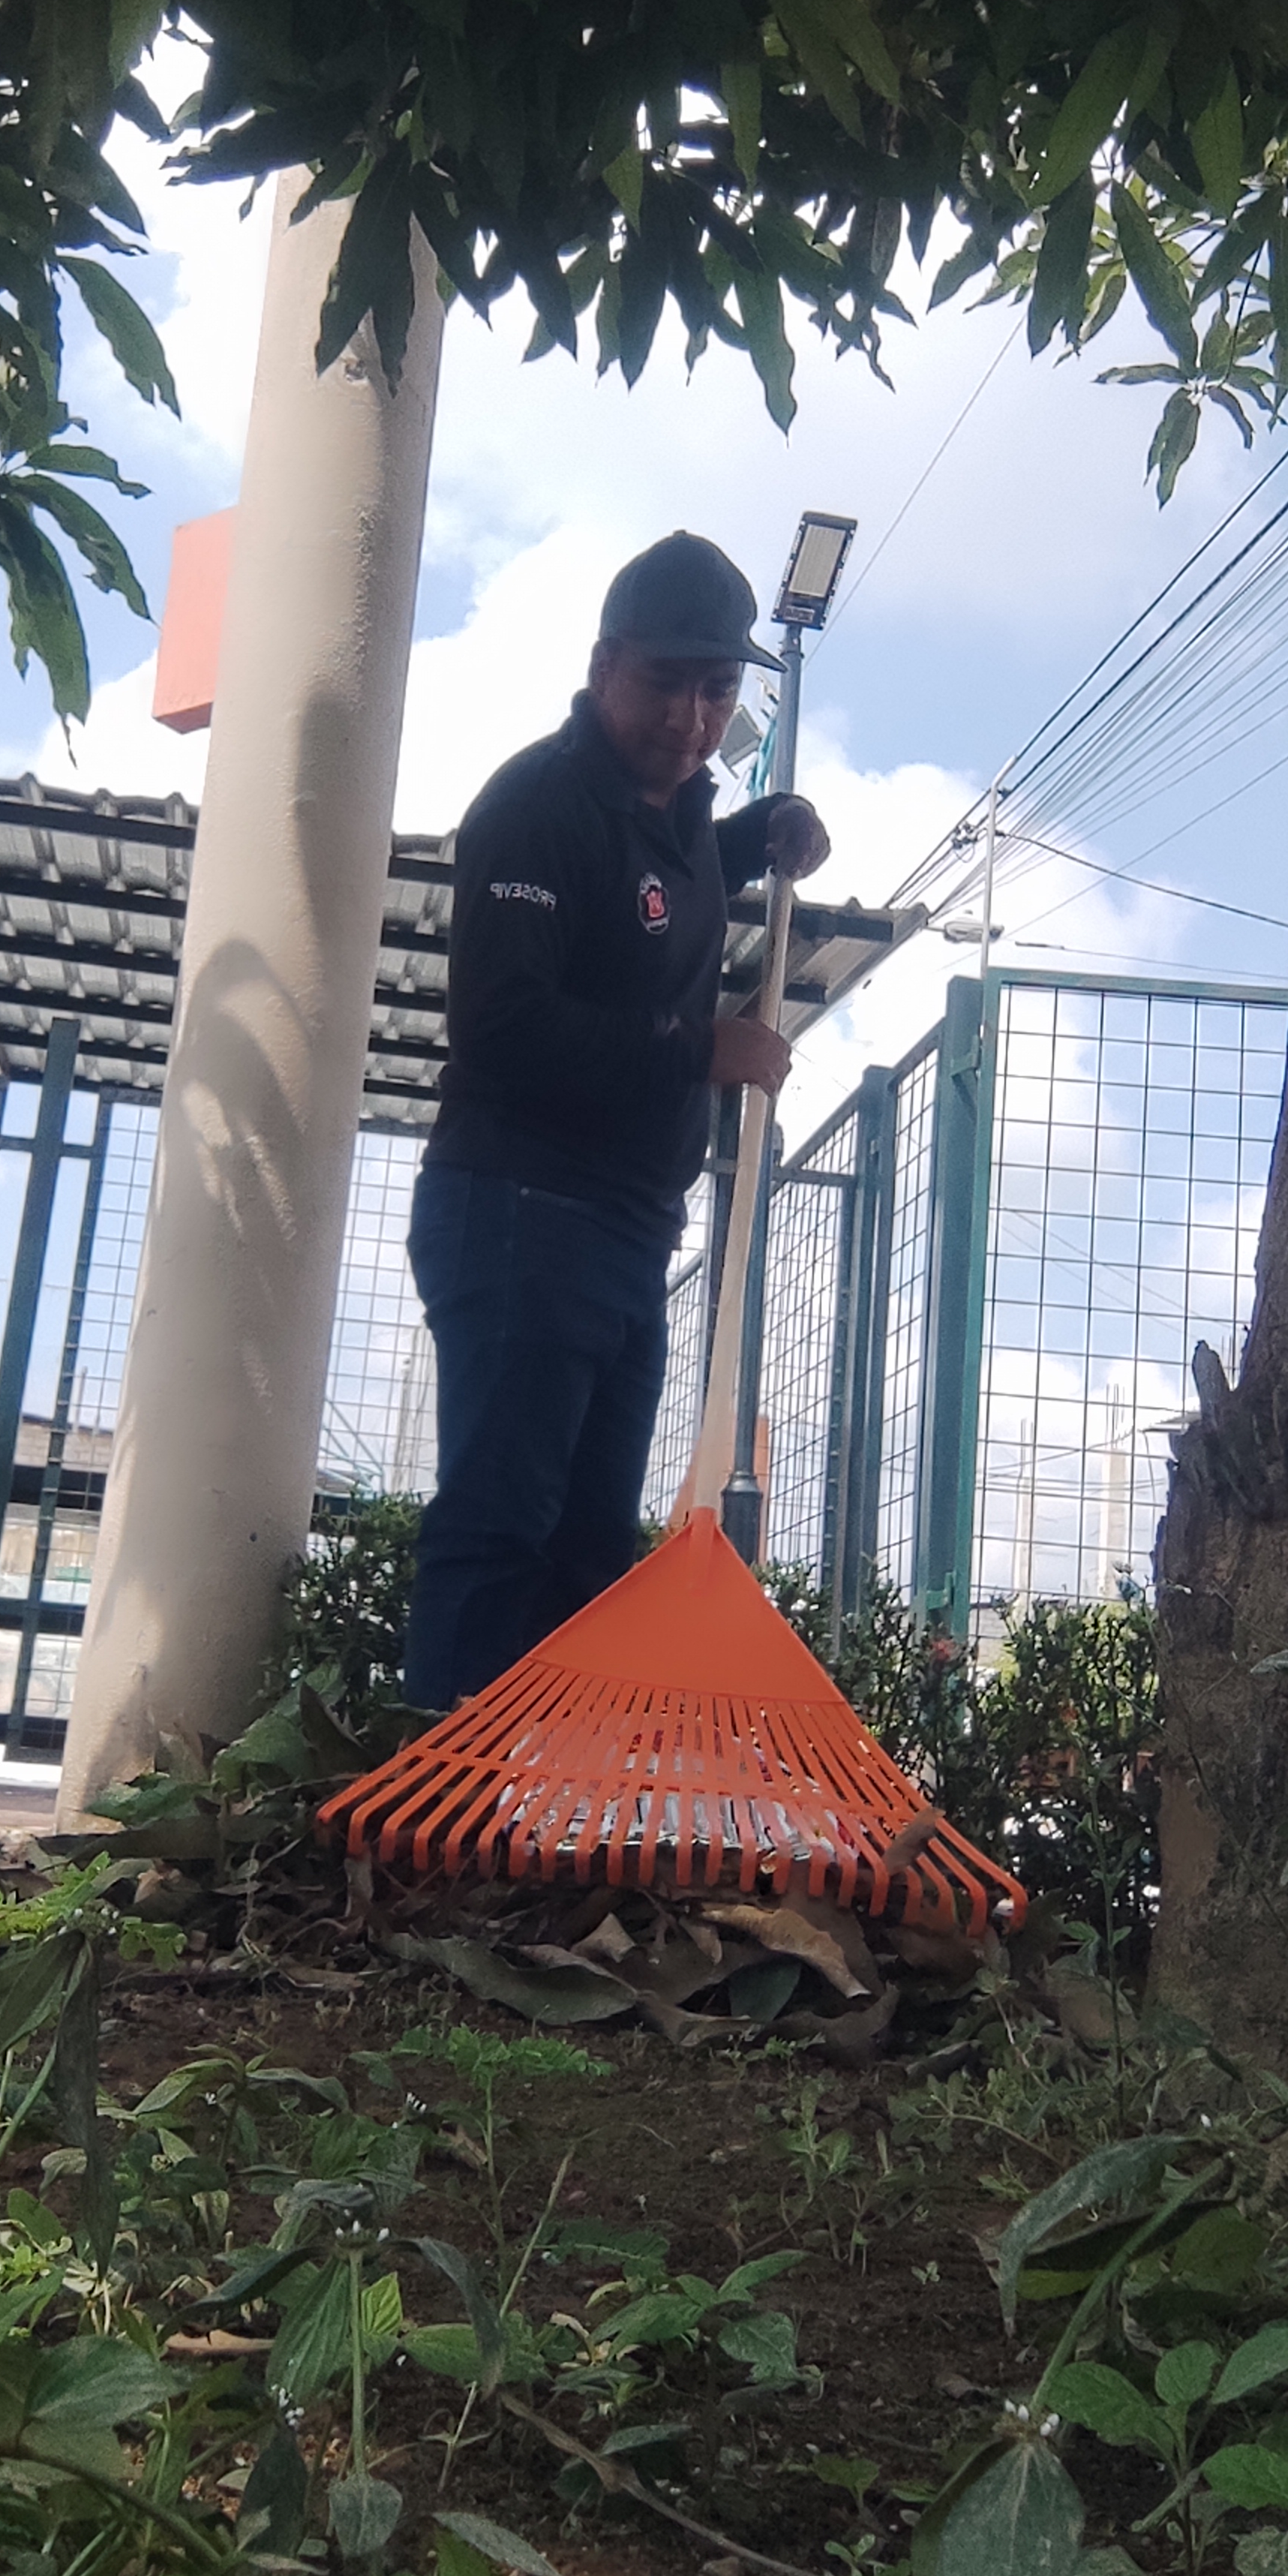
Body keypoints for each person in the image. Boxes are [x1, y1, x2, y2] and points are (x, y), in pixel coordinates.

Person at [402, 529, 830, 1715]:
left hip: (631, 1230)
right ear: (604, 667)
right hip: (520, 1210)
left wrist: (769, 825)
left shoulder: (677, 812)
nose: (691, 719)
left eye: (718, 689)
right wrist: (697, 1049)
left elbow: (667, 875)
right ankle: (445, 1792)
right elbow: (504, 1026)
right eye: (665, 683)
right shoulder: (536, 808)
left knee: (590, 1546)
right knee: (503, 1522)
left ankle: (535, 1795)